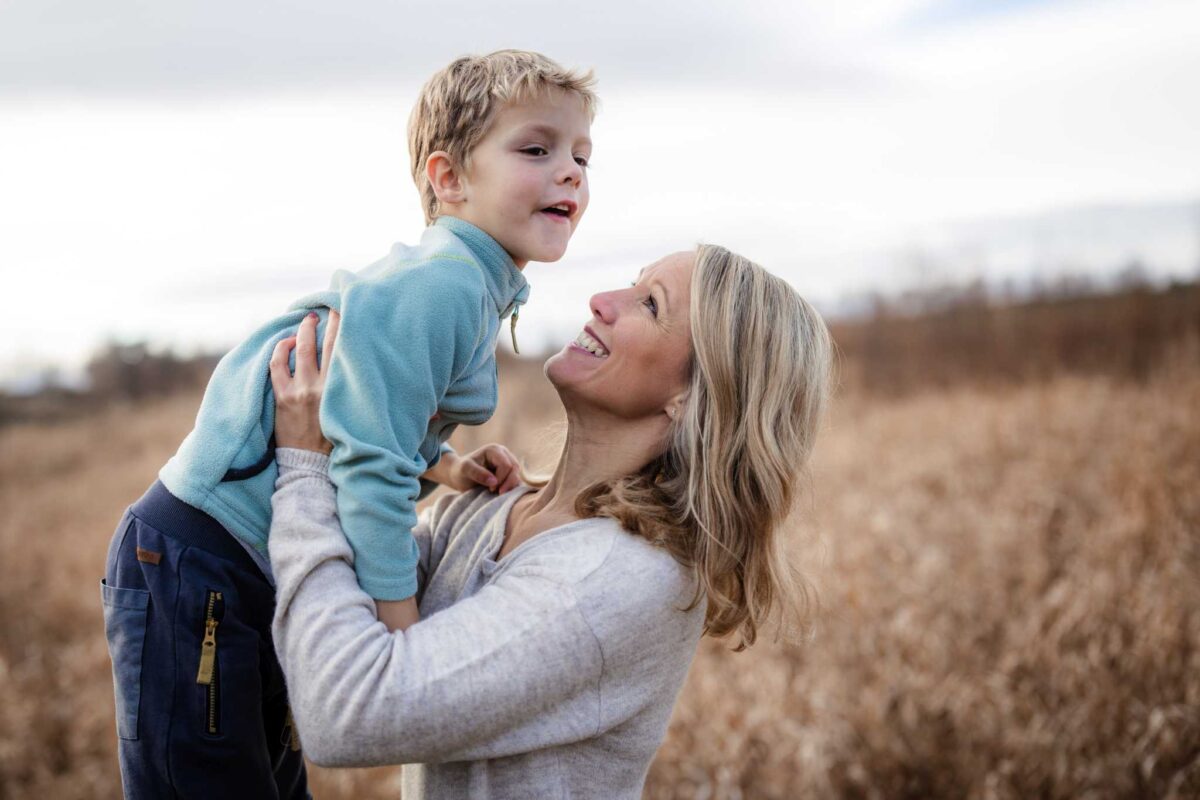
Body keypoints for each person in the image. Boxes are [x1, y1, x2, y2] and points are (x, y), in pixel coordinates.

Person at [99, 50, 596, 798]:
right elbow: (370, 468)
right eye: (537, 149)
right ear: (448, 177)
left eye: (582, 156)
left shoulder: (473, 281)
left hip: (244, 560)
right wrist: (400, 641)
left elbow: (369, 417)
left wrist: (451, 467)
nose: (570, 172)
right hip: (201, 556)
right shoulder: (446, 285)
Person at [267, 244, 834, 799]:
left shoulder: (614, 578)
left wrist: (305, 466)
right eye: (631, 285)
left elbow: (346, 714)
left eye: (650, 305)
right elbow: (334, 605)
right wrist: (400, 454)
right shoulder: (490, 507)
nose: (601, 301)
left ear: (693, 394)